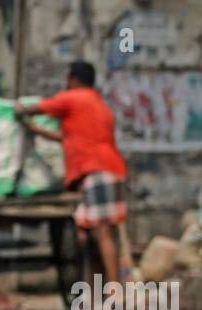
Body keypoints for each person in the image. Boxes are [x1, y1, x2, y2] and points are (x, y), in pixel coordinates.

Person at [17, 60, 129, 285]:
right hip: (109, 169)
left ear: (72, 79)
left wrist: (17, 109)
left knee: (102, 232)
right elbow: (71, 139)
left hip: (95, 171)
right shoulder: (98, 104)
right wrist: (38, 131)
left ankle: (115, 290)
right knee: (97, 234)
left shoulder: (73, 98)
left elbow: (40, 107)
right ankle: (104, 288)